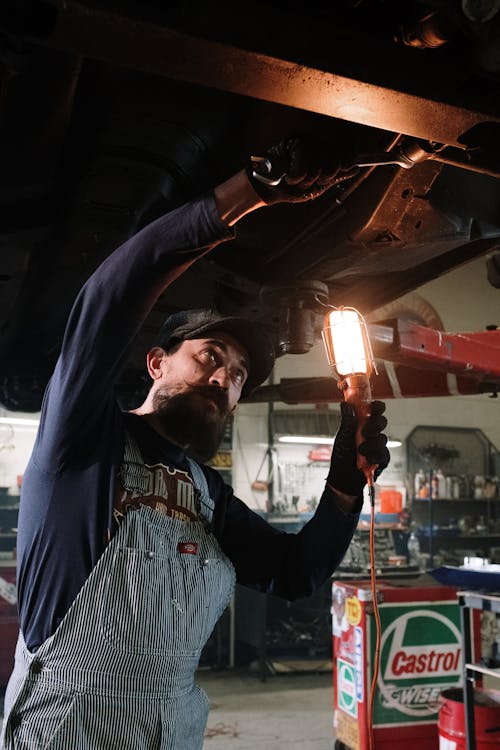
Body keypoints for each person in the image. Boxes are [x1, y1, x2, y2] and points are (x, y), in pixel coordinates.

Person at [1, 136, 389, 750]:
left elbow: (295, 573)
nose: (223, 379)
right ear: (156, 363)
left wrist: (344, 486)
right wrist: (249, 191)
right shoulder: (82, 442)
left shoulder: (207, 494)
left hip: (173, 733)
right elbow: (114, 293)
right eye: (211, 356)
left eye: (237, 376)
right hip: (65, 731)